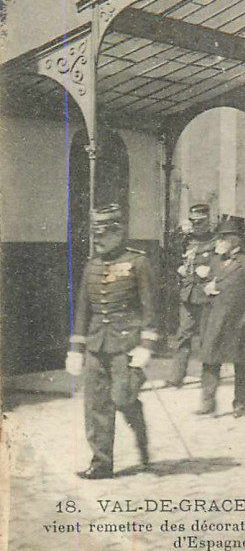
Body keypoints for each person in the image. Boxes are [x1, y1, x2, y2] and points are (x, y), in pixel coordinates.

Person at [65, 205, 159, 480]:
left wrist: (146, 345)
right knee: (96, 405)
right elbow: (83, 310)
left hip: (126, 346)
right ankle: (101, 463)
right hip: (96, 345)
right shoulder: (91, 265)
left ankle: (141, 439)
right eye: (96, 235)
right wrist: (76, 349)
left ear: (118, 232)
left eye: (104, 234)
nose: (99, 240)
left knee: (123, 398)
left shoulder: (138, 263)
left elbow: (150, 308)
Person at [198, 215, 245, 418]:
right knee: (210, 360)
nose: (220, 241)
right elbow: (209, 283)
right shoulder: (216, 260)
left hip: (237, 320)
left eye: (224, 237)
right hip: (215, 317)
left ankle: (240, 403)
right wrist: (207, 288)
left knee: (240, 362)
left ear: (236, 239)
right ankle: (208, 402)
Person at [165, 202, 215, 388]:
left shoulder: (215, 241)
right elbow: (173, 254)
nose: (196, 226)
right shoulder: (185, 240)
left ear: (208, 221)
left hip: (207, 295)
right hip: (188, 293)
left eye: (200, 222)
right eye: (193, 222)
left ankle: (208, 376)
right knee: (183, 335)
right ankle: (177, 376)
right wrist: (178, 267)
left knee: (206, 337)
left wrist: (210, 272)